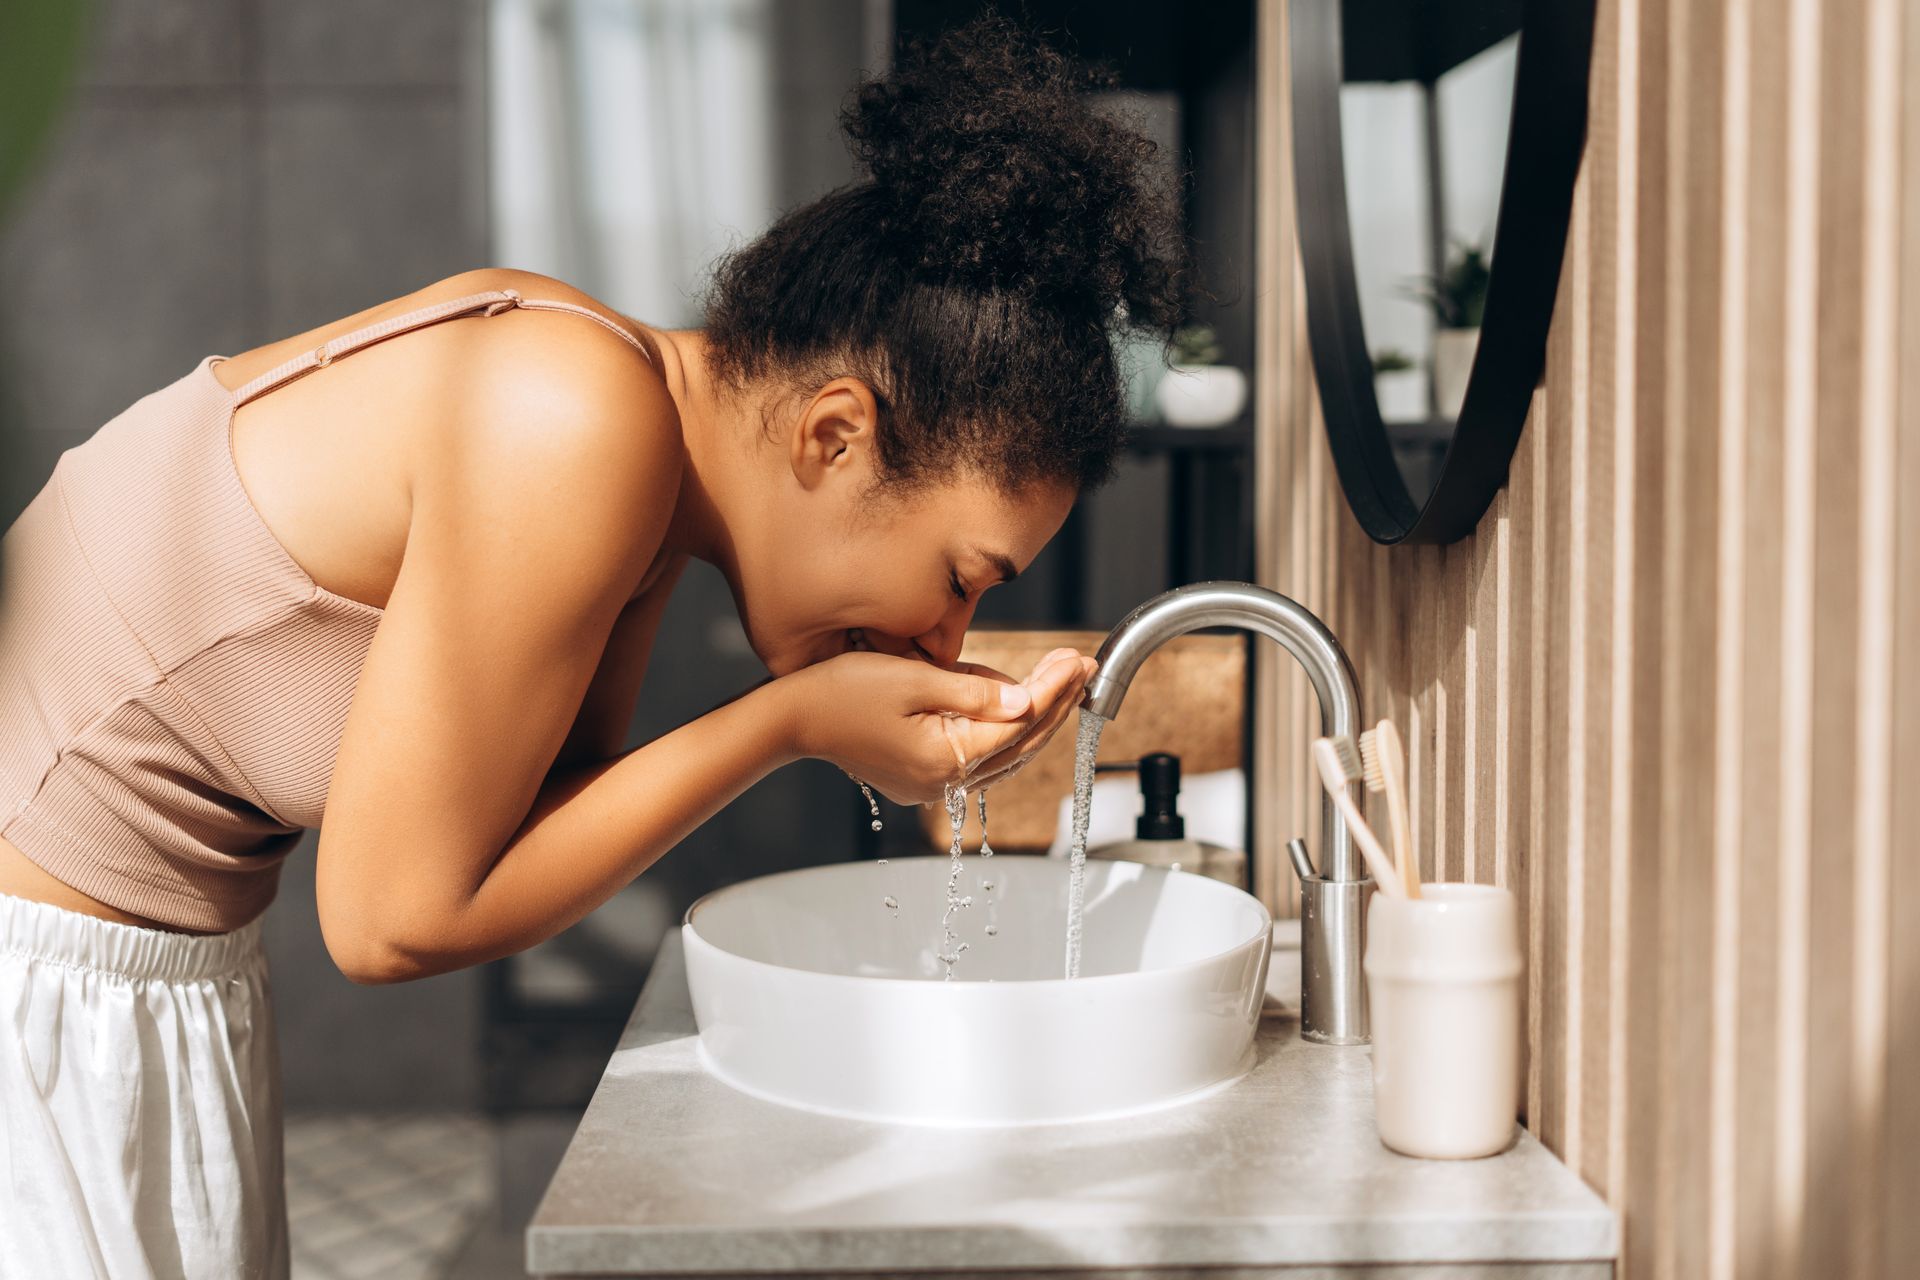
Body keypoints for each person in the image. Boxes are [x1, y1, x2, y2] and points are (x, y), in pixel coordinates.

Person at [0, 13, 1184, 1277]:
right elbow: (389, 920)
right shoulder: (575, 418)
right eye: (959, 577)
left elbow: (517, 834)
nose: (949, 634)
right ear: (834, 437)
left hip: (144, 977)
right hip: (40, 991)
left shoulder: (630, 451)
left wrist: (831, 712)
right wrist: (797, 721)